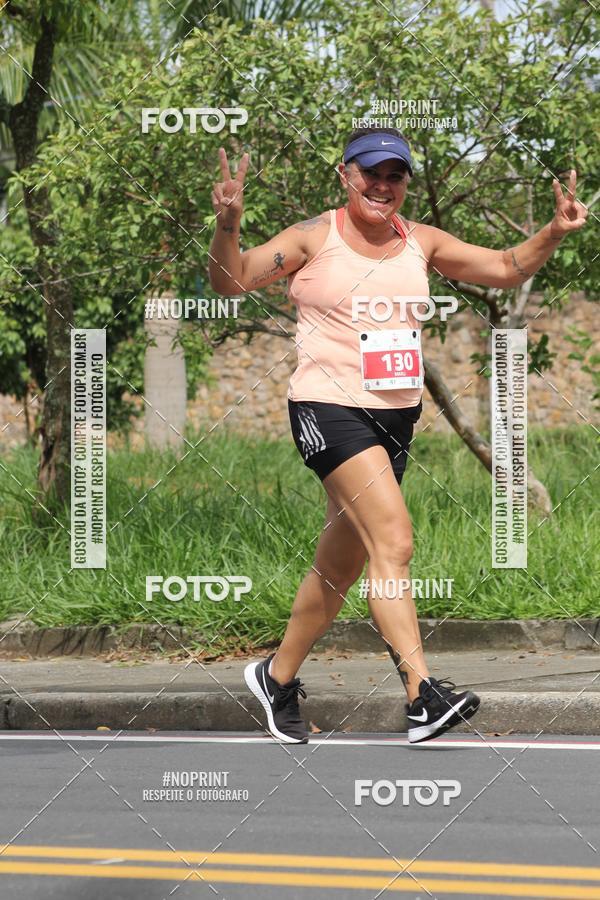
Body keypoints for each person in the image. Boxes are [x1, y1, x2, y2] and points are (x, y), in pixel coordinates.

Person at [209, 126, 587, 744]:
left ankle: (275, 678)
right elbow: (231, 281)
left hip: (395, 418)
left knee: (341, 564)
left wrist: (554, 229)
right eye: (370, 173)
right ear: (345, 175)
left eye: (395, 176)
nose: (382, 186)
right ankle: (421, 695)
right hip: (328, 407)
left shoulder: (421, 240)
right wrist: (228, 223)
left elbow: (503, 269)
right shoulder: (314, 237)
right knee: (394, 539)